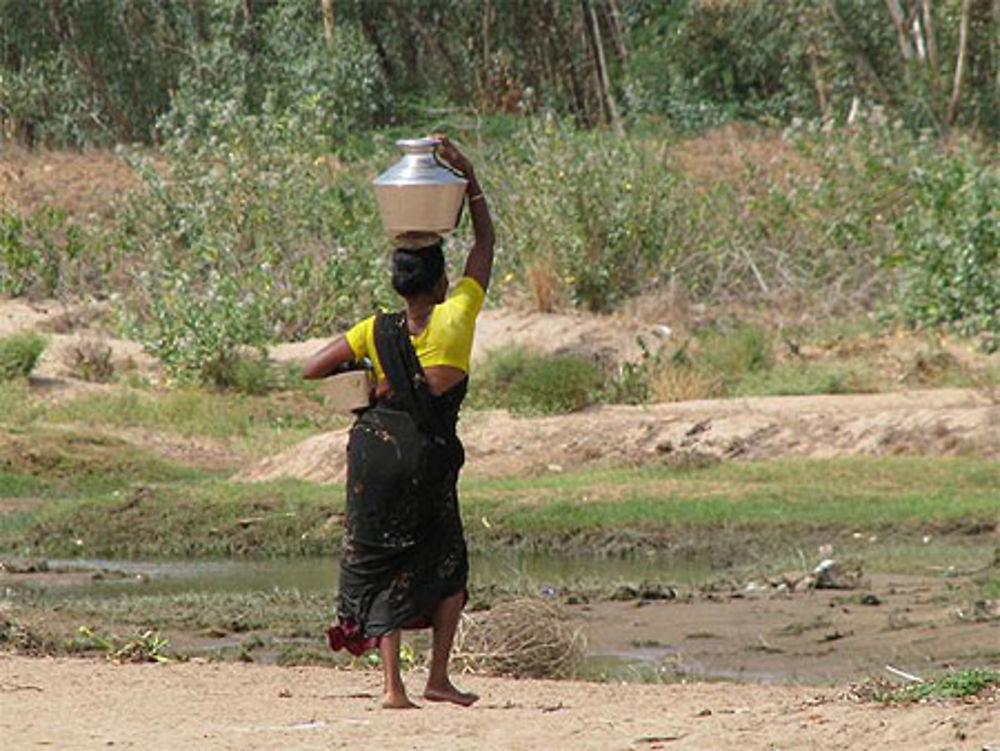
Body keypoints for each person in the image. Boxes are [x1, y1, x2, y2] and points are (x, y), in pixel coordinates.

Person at [303, 137, 494, 709]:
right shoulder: (457, 315)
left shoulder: (375, 329)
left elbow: (314, 368)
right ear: (440, 284)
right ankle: (438, 676)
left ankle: (392, 688)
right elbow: (485, 243)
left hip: (374, 454)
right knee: (445, 560)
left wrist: (376, 377)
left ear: (398, 285)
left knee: (383, 559)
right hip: (426, 457)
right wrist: (470, 177)